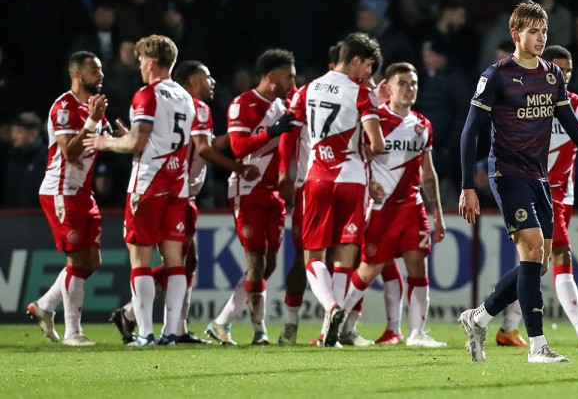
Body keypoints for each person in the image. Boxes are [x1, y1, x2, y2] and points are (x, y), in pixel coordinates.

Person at [457, 0, 578, 364]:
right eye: (533, 31)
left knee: (539, 263)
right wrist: (467, 185)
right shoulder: (495, 76)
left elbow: (571, 122)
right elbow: (470, 133)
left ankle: (479, 317)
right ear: (516, 34)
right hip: (507, 173)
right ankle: (538, 346)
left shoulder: (551, 75)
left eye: (544, 31)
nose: (541, 38)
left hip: (539, 175)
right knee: (530, 251)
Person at [108, 61, 261, 344]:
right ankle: (154, 323)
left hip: (172, 190)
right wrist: (239, 166)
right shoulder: (194, 107)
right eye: (207, 76)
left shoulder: (171, 104)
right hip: (177, 191)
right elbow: (204, 148)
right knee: (178, 261)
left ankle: (167, 326)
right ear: (192, 81)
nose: (212, 81)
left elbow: (200, 144)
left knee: (182, 262)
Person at [494, 45, 578, 349]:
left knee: (538, 262)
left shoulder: (576, 104)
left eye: (568, 70)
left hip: (565, 192)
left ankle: (505, 326)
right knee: (558, 255)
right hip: (538, 188)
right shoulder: (533, 101)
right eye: (559, 68)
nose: (564, 75)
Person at [84, 35, 197, 346]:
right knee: (175, 260)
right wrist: (132, 137)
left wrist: (106, 142)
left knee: (141, 260)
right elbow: (157, 138)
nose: (139, 69)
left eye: (140, 63)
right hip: (178, 185)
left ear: (150, 63)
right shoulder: (186, 97)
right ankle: (170, 333)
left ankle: (145, 334)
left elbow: (138, 142)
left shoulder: (147, 95)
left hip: (148, 185)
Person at [280, 32, 384, 348]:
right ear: (355, 60)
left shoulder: (307, 90)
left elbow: (289, 132)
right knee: (345, 256)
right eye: (367, 66)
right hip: (352, 180)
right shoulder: (361, 93)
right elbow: (377, 144)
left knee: (314, 255)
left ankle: (331, 310)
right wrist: (368, 143)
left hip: (317, 178)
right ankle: (332, 324)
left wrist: (286, 171)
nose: (369, 73)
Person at [335, 62, 447, 347]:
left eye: (414, 84)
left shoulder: (422, 125)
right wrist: (367, 184)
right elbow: (357, 158)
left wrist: (438, 214)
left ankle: (417, 334)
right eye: (403, 83)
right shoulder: (376, 121)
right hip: (381, 210)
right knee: (370, 268)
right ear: (389, 86)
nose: (409, 89)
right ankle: (335, 323)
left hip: (413, 206)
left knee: (417, 267)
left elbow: (429, 173)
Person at [204, 49, 297, 346]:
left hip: (274, 194)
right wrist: (271, 131)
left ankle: (224, 322)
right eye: (289, 75)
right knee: (255, 263)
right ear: (271, 76)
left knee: (268, 266)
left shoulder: (285, 106)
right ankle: (257, 330)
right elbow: (239, 146)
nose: (293, 81)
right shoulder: (242, 104)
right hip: (247, 190)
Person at [28, 52, 107, 346]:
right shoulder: (64, 107)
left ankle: (45, 305)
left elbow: (103, 141)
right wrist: (92, 123)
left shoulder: (96, 107)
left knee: (92, 262)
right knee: (76, 260)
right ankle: (73, 332)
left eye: (101, 70)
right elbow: (69, 153)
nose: (100, 76)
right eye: (94, 71)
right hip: (61, 190)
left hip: (83, 193)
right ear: (77, 74)